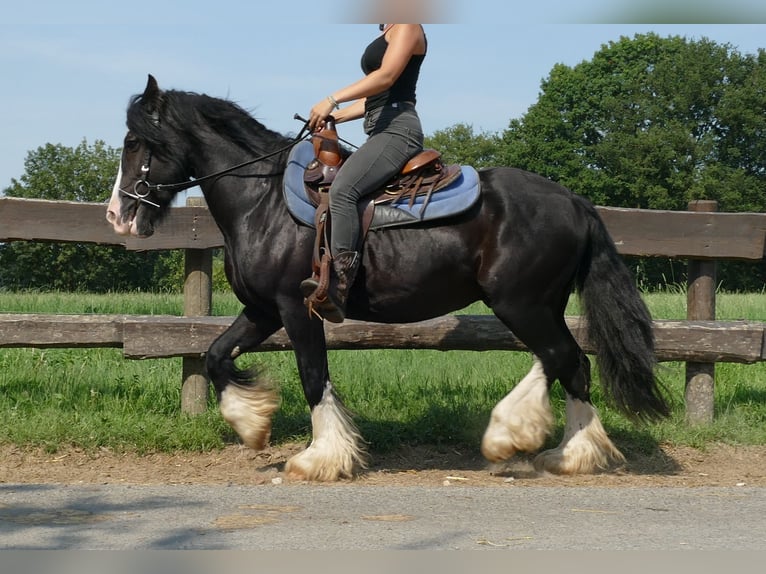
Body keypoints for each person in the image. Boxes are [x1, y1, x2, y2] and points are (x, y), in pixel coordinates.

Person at [300, 23, 427, 323]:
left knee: (344, 189)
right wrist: (334, 117)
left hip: (398, 130)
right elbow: (374, 98)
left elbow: (385, 78)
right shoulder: (389, 30)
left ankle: (339, 286)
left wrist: (332, 99)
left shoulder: (408, 25)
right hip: (380, 126)